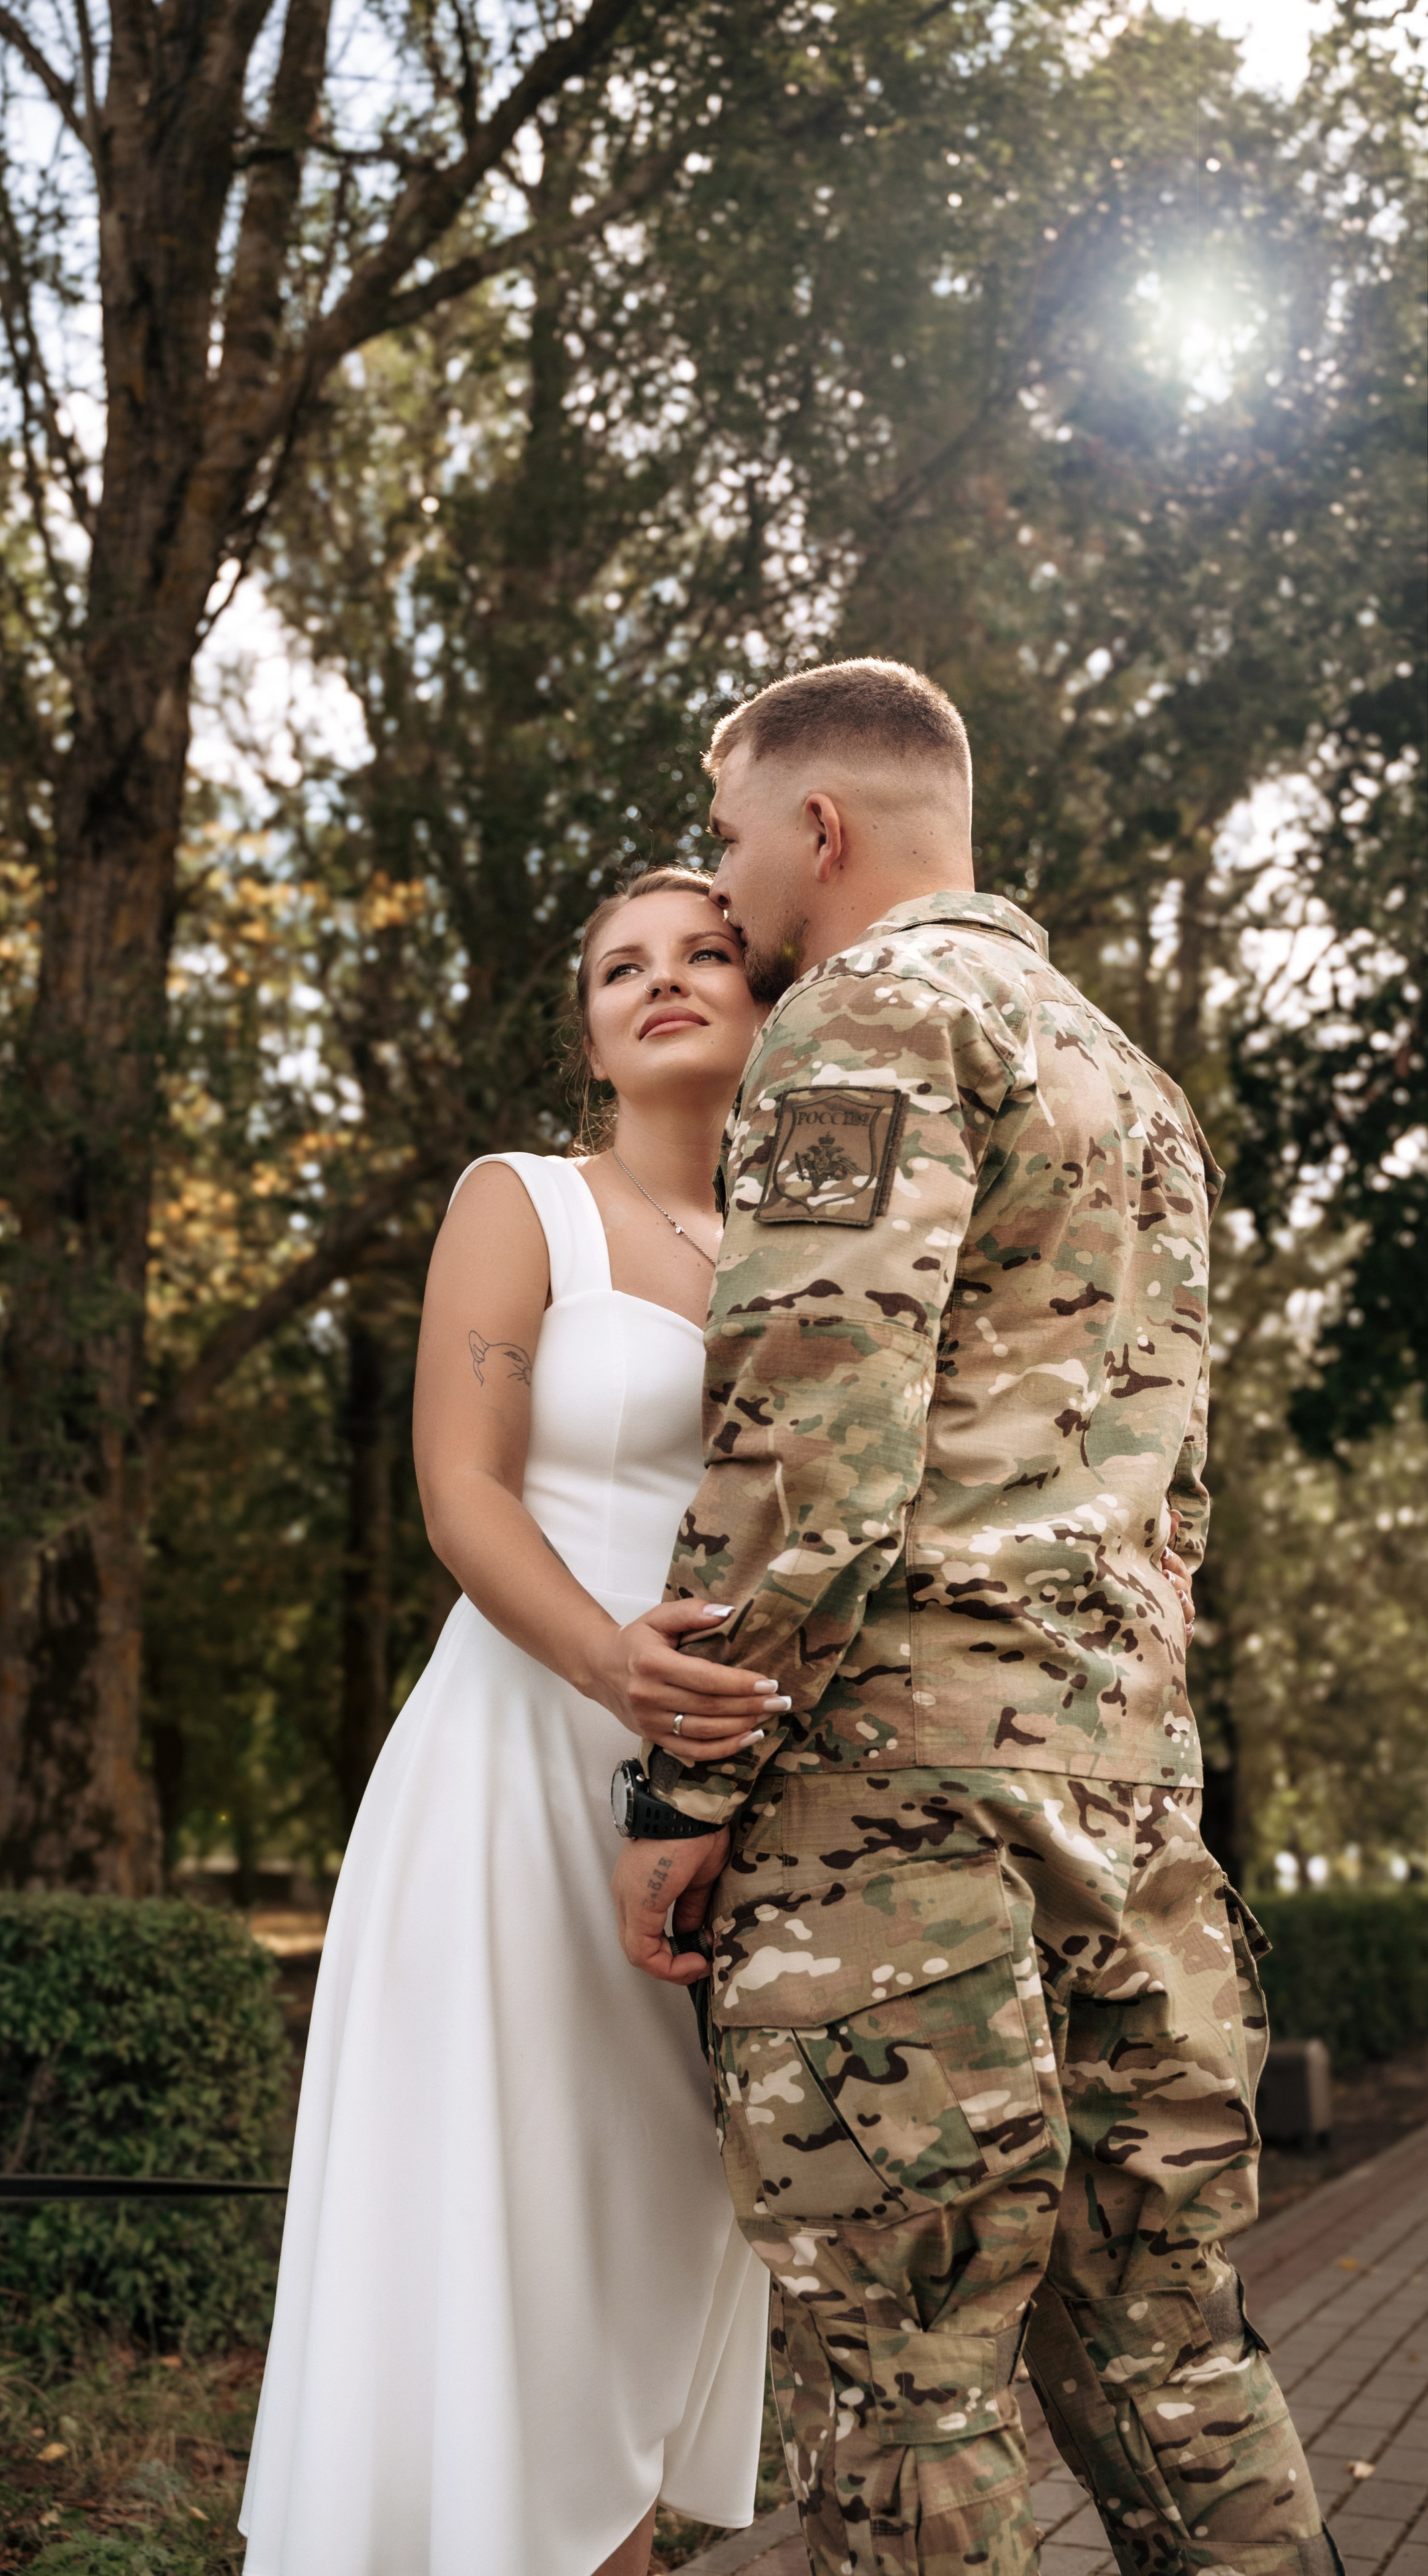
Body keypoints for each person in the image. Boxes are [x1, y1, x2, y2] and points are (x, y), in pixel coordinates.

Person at [608, 660, 1339, 2576]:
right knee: (1171, 2354)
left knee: (908, 2387)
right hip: (1126, 1800)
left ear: (817, 826)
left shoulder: (867, 1014)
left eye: (729, 838)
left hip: (896, 1818)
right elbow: (1175, 1497)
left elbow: (811, 1448)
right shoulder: (1132, 1082)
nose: (726, 882)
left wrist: (682, 1792)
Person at [239, 868, 778, 2576]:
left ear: (767, 998)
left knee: (660, 2230)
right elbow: (459, 1492)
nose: (662, 980)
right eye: (621, 967)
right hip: (512, 1768)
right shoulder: (521, 1199)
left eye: (706, 951)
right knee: (512, 2233)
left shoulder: (810, 1243)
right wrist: (611, 1665)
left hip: (719, 1798)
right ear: (590, 1036)